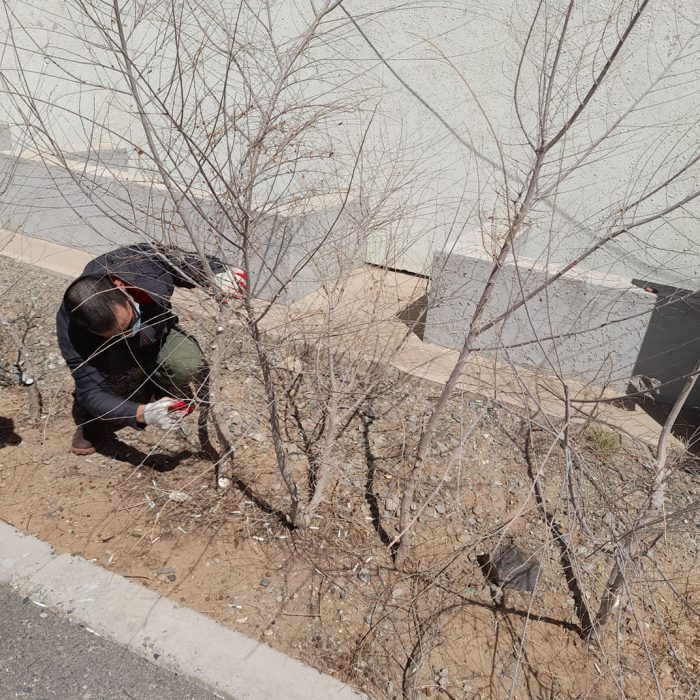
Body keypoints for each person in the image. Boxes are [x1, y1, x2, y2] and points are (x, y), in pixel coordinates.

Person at [56, 243, 246, 455]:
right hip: (112, 353)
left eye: (128, 323)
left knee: (186, 363)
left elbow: (179, 261)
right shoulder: (72, 330)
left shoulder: (141, 263)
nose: (129, 333)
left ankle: (158, 382)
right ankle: (97, 419)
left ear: (120, 286)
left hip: (157, 329)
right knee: (100, 384)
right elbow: (91, 390)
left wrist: (216, 273)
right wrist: (142, 413)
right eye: (116, 333)